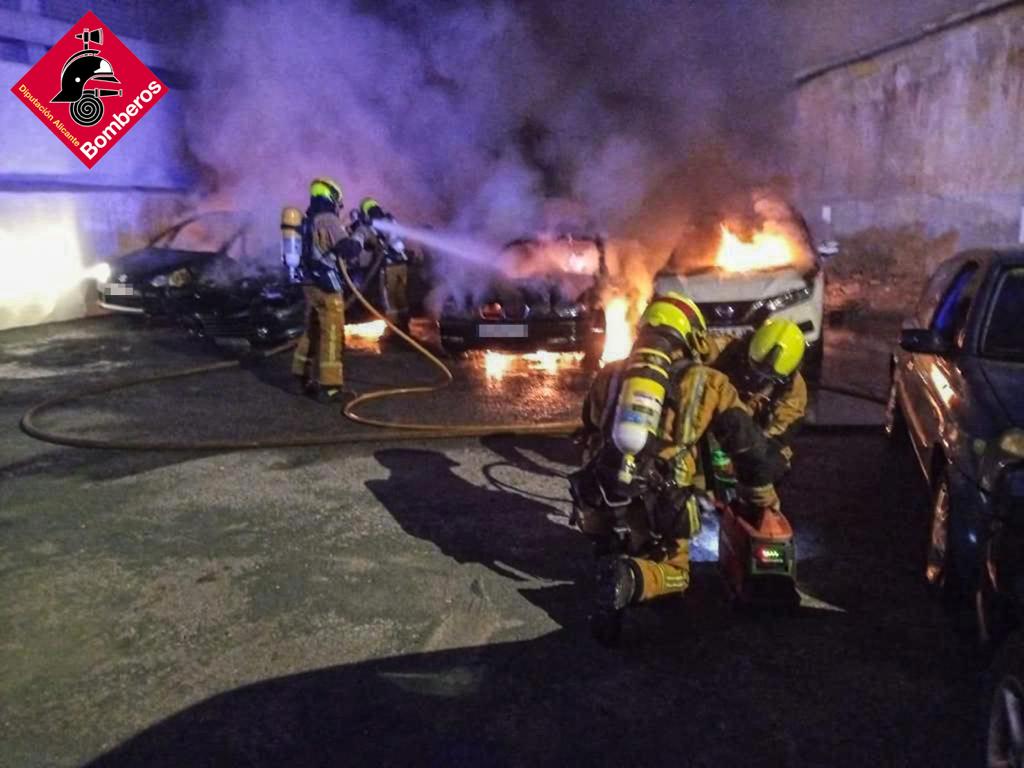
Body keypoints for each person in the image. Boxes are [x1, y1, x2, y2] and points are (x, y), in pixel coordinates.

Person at [571, 292, 782, 615]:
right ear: (694, 337)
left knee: (620, 528)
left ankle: (607, 551)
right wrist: (761, 500)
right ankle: (629, 578)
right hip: (665, 497)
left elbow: (589, 427)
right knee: (677, 573)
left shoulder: (610, 374)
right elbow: (748, 448)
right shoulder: (710, 383)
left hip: (603, 488)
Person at [706, 318, 808, 477]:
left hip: (752, 435)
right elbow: (701, 349)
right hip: (707, 428)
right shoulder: (725, 350)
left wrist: (754, 454)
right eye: (754, 367)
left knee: (771, 465)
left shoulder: (793, 388)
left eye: (769, 377)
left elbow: (783, 426)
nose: (757, 379)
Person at [291, 177, 351, 401]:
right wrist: (362, 235)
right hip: (327, 286)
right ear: (332, 197)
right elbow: (347, 249)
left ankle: (300, 375)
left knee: (311, 331)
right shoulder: (328, 219)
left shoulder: (308, 219)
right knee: (332, 334)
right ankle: (330, 387)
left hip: (309, 284)